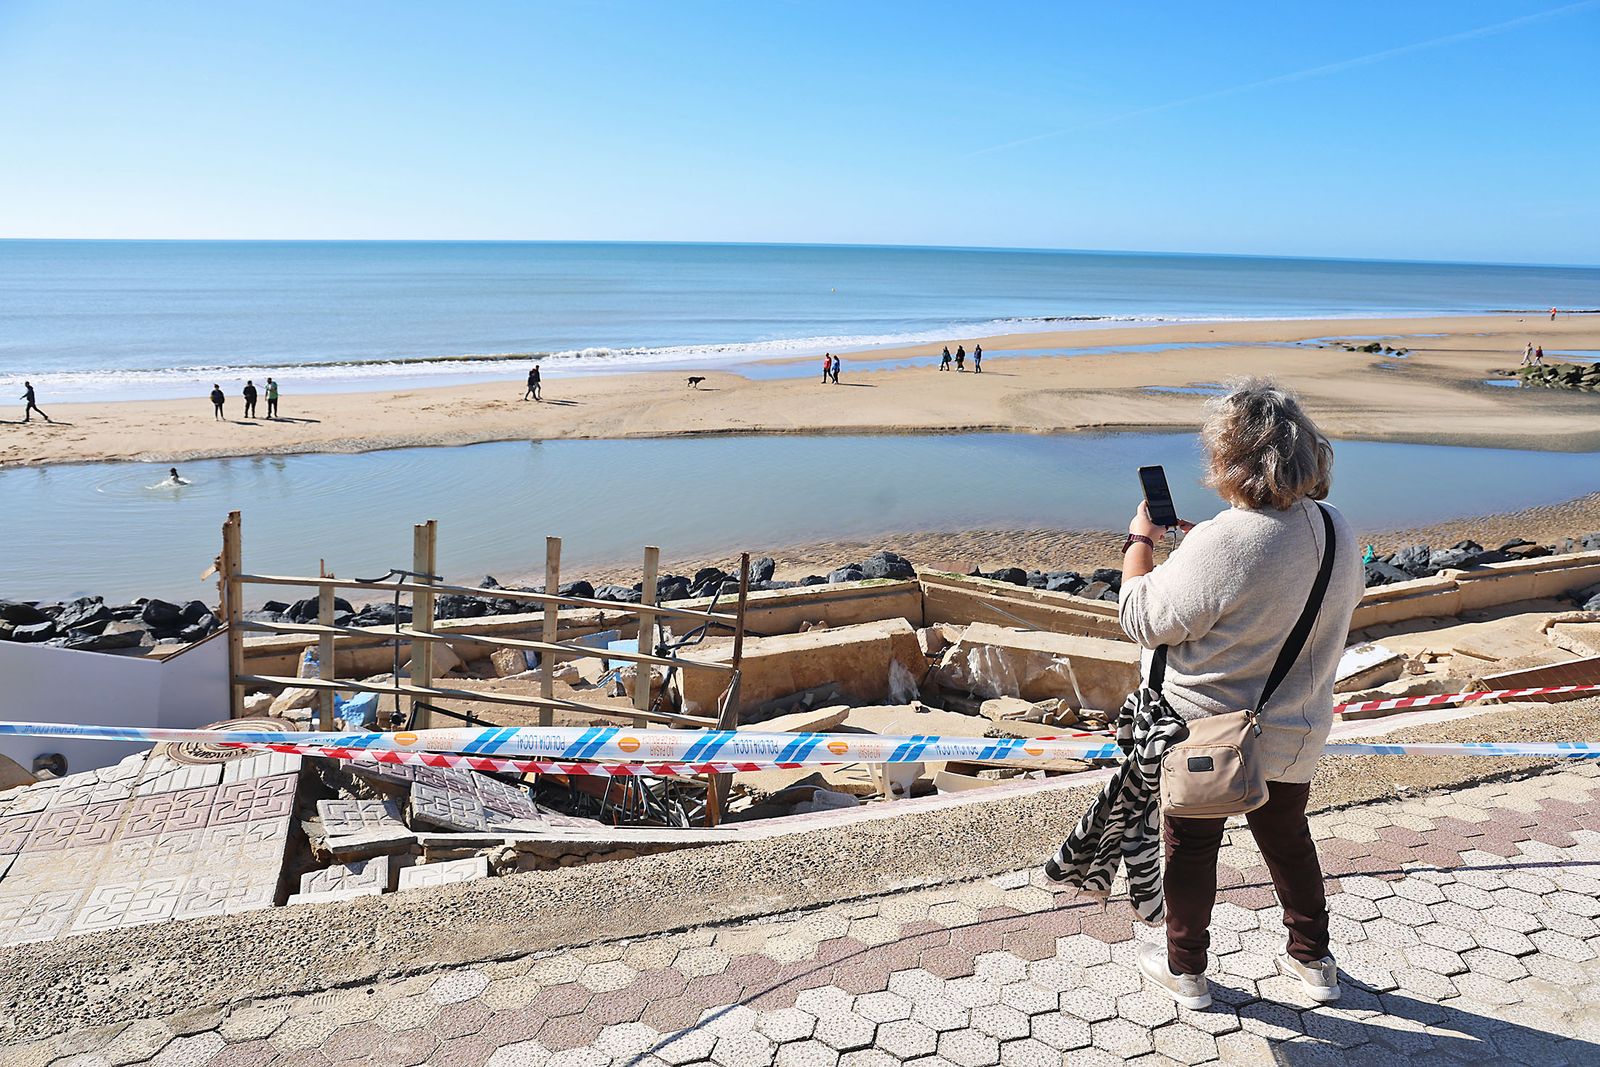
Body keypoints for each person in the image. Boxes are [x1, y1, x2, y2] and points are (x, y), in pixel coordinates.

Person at [1117, 379, 1363, 1009]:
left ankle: (1186, 971)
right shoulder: (1336, 527)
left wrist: (1140, 545)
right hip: (1295, 725)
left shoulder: (1224, 540)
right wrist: (1211, 551)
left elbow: (1142, 618)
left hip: (1208, 732)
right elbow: (1283, 581)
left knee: (1192, 847)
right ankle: (1314, 963)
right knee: (1287, 839)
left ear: (1230, 457)